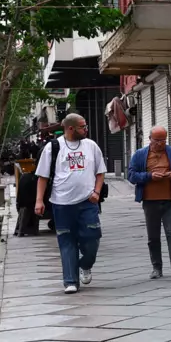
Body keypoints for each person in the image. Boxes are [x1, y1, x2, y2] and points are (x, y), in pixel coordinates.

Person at [34, 114, 106, 294]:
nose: (86, 129)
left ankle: (85, 264)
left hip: (88, 201)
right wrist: (39, 200)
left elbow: (100, 171)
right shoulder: (53, 148)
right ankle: (70, 281)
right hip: (61, 203)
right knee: (66, 241)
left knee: (92, 239)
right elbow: (42, 176)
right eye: (83, 126)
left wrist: (97, 191)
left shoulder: (91, 146)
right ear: (71, 128)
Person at [127, 126, 171, 280]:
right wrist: (149, 176)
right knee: (153, 237)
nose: (160, 144)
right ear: (150, 139)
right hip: (150, 200)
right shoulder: (140, 155)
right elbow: (131, 175)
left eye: (163, 140)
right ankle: (156, 267)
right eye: (157, 140)